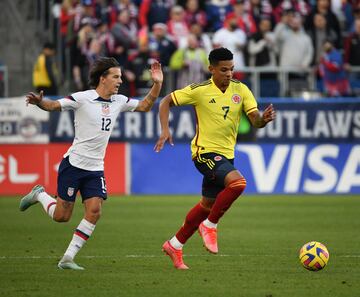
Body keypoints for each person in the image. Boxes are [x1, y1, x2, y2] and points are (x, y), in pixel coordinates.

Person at [20, 57, 163, 270]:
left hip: (95, 168)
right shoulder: (82, 98)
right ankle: (39, 194)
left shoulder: (119, 101)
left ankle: (67, 258)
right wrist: (41, 102)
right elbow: (54, 105)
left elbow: (144, 106)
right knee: (62, 216)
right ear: (102, 78)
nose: (120, 81)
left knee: (95, 210)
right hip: (74, 164)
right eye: (116, 77)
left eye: (121, 77)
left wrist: (157, 83)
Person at [154, 47, 275, 270]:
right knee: (238, 183)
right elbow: (165, 102)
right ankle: (209, 226)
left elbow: (254, 120)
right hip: (204, 153)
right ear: (211, 69)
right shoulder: (199, 90)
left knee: (207, 205)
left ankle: (174, 244)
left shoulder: (241, 89)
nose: (229, 74)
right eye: (224, 70)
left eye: (232, 69)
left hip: (226, 156)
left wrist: (263, 120)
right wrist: (164, 129)